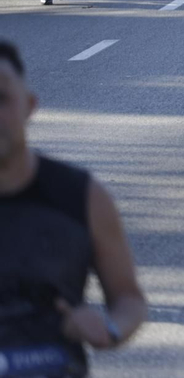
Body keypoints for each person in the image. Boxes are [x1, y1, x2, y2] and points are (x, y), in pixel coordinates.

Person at [0, 41, 148, 372]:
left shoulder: (82, 196)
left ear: (29, 106)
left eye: (1, 98)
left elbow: (129, 299)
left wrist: (110, 328)